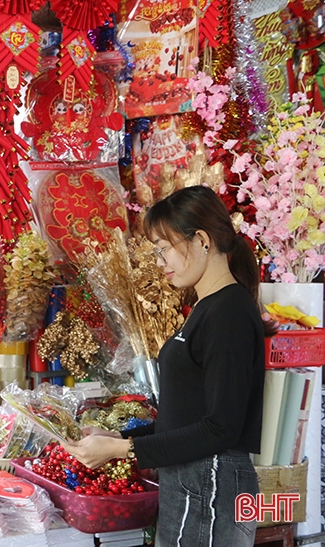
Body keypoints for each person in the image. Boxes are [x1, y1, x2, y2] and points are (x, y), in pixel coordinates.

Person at [62, 186, 273, 546]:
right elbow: (188, 415)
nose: (159, 263)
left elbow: (220, 427)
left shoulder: (228, 313)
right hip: (194, 481)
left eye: (163, 250)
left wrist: (120, 451)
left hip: (212, 484)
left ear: (202, 240)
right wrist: (122, 437)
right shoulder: (207, 308)